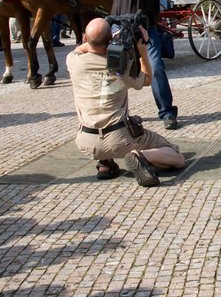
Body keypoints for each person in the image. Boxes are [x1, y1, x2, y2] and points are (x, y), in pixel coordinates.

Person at [68, 18, 185, 187]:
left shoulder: (73, 61)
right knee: (177, 156)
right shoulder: (122, 68)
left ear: (85, 38)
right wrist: (142, 50)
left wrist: (97, 40)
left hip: (86, 140)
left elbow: (82, 47)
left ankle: (105, 165)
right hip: (120, 139)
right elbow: (147, 79)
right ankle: (139, 156)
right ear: (110, 41)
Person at [113, 0, 179, 130]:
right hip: (121, 26)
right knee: (116, 71)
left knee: (156, 68)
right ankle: (117, 115)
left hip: (147, 29)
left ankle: (167, 112)